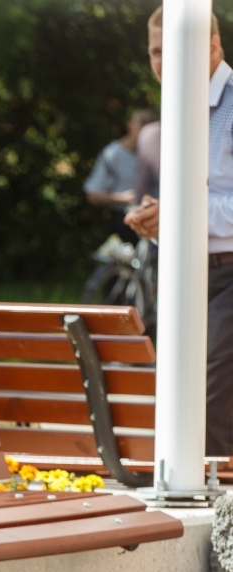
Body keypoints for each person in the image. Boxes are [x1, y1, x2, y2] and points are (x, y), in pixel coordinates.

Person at [125, 6, 233, 455]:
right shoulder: (177, 113)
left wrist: (179, 215)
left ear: (212, 45)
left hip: (228, 273)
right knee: (187, 401)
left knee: (205, 405)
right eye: (156, 51)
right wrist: (157, 219)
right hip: (187, 274)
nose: (164, 63)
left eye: (175, 49)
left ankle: (217, 519)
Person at [84, 108, 159, 243]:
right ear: (131, 126)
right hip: (126, 225)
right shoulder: (112, 154)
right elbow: (92, 193)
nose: (149, 138)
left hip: (158, 222)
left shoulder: (158, 151)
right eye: (144, 132)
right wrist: (121, 198)